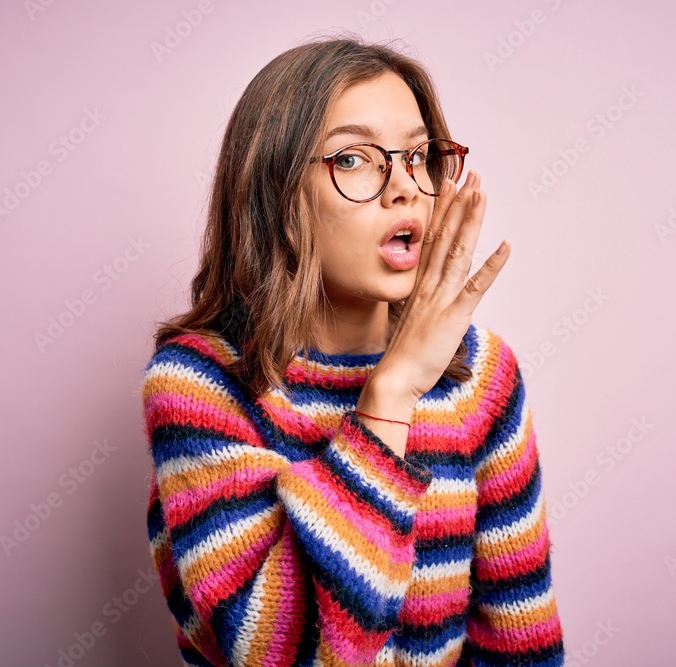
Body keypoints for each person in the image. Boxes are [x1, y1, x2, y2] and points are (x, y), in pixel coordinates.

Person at [140, 34, 565, 666]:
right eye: (354, 159)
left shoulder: (483, 377)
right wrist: (390, 396)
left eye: (420, 156)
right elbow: (275, 652)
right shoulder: (199, 383)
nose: (405, 188)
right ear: (275, 191)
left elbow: (521, 644)